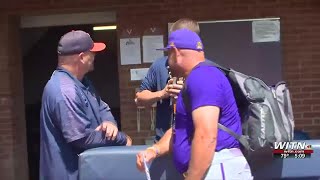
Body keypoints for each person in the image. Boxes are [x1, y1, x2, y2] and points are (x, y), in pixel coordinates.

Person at [136, 29, 252, 179]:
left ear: (176, 52)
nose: (167, 61)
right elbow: (179, 130)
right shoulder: (196, 78)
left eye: (168, 54)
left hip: (218, 167)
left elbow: (206, 136)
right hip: (211, 168)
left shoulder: (202, 76)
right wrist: (155, 150)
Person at [39, 30, 132, 180]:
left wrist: (109, 123)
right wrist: (121, 139)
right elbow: (80, 138)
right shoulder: (64, 90)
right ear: (82, 57)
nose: (94, 56)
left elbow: (103, 107)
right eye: (92, 52)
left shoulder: (83, 81)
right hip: (68, 175)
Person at [135, 18, 204, 142]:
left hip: (194, 141)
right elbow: (139, 99)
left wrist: (187, 92)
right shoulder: (159, 65)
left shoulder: (206, 70)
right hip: (163, 141)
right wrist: (163, 93)